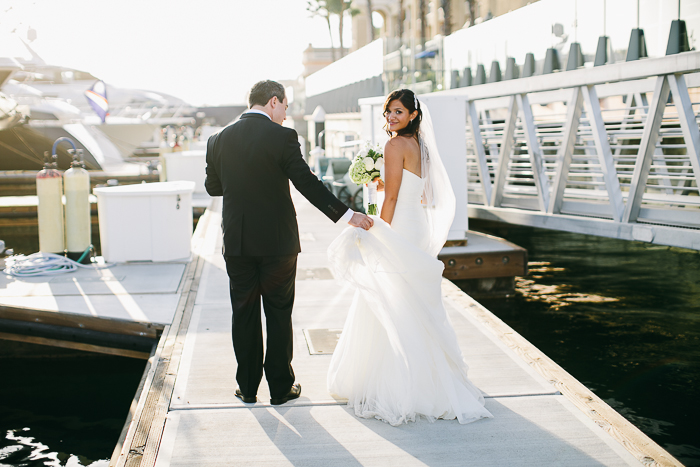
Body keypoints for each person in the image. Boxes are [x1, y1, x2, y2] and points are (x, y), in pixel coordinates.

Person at [326, 89, 493, 425]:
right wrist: (380, 183)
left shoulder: (393, 145)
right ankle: (431, 381)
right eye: (388, 111)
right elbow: (418, 192)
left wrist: (379, 233)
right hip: (414, 225)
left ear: (413, 115)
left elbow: (390, 200)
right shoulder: (420, 146)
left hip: (399, 226)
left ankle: (401, 384)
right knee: (411, 300)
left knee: (390, 299)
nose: (391, 117)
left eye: (398, 112)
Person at [205, 80, 373, 406]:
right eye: (285, 106)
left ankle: (248, 387)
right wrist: (345, 214)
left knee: (244, 313)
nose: (285, 113)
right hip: (278, 242)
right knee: (279, 313)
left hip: (238, 242)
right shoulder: (283, 137)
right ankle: (281, 388)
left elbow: (214, 188)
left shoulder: (217, 139)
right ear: (273, 102)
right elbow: (306, 182)